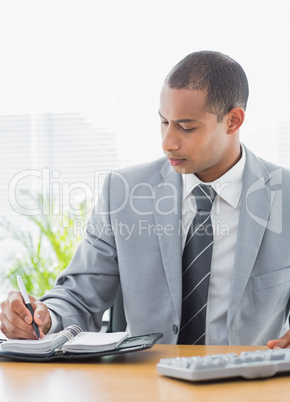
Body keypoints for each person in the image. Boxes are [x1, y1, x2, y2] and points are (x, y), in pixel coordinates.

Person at [1, 50, 290, 348]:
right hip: (147, 384)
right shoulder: (123, 192)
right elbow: (79, 296)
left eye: (186, 127)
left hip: (249, 386)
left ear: (233, 121)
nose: (167, 142)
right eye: (164, 122)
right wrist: (45, 316)